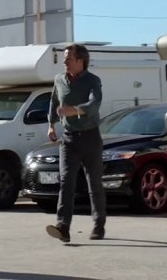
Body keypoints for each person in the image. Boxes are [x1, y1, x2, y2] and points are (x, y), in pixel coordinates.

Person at [45, 43, 106, 243]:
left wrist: (76, 110)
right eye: (64, 58)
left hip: (90, 138)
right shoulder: (59, 80)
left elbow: (95, 102)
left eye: (68, 58)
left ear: (80, 61)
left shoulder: (92, 81)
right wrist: (51, 125)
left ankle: (98, 225)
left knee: (94, 183)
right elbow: (54, 102)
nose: (64, 61)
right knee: (66, 181)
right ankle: (63, 226)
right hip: (68, 139)